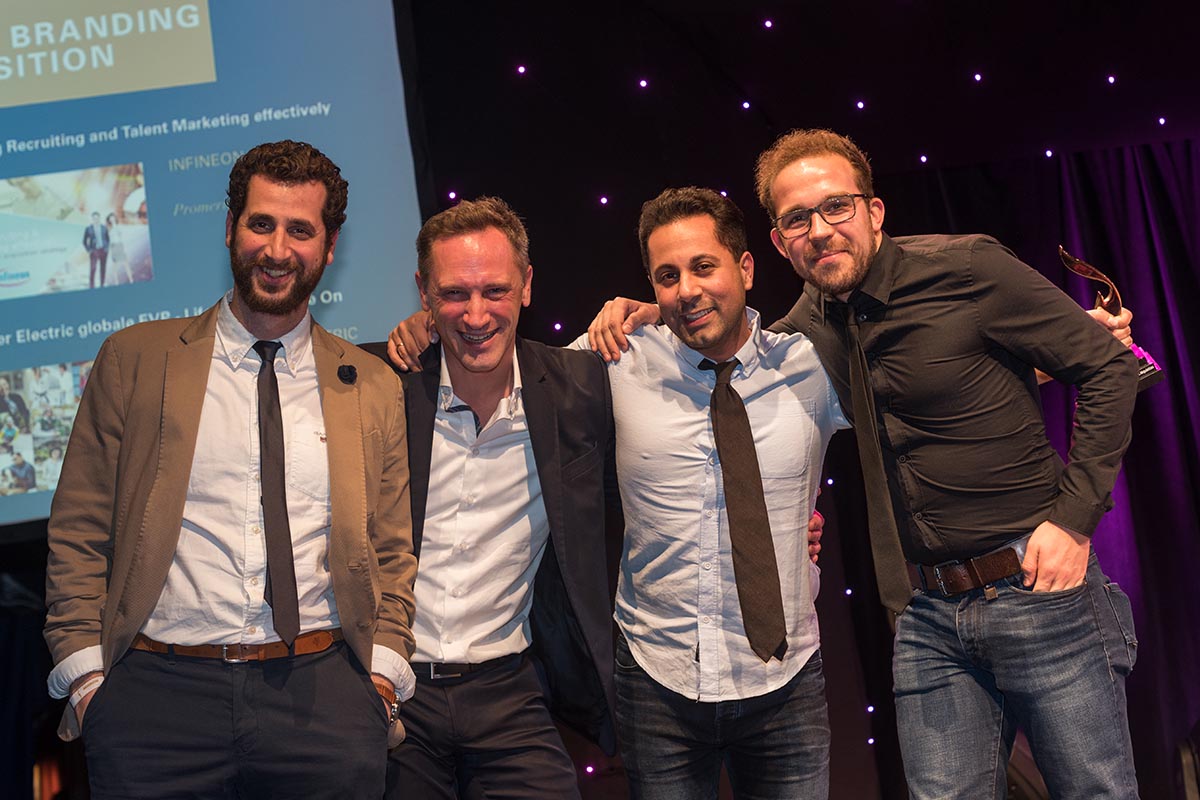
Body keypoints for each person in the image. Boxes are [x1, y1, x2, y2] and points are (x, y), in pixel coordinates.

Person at [595, 129, 1141, 800]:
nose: (820, 230)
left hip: (1038, 590)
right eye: (798, 219)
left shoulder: (968, 267)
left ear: (874, 211)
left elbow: (1110, 368)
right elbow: (741, 352)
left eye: (836, 207)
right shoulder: (806, 330)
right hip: (928, 616)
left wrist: (1075, 521)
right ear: (778, 243)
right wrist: (663, 312)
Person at [388, 189, 839, 799]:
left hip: (789, 678)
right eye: (667, 277)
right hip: (656, 681)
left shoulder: (811, 366)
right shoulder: (609, 364)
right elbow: (488, 345)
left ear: (747, 267)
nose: (687, 289)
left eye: (704, 267)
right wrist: (428, 327)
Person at [44, 140, 417, 799]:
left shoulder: (372, 385)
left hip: (323, 701)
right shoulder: (134, 360)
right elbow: (79, 531)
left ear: (330, 246)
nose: (277, 250)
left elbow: (392, 551)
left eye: (300, 230)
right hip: (154, 704)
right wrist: (87, 685)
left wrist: (381, 684)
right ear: (229, 228)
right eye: (261, 223)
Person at [360, 196, 618, 799]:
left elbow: (690, 359)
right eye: (454, 294)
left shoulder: (578, 387)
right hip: (391, 687)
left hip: (511, 691)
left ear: (527, 285)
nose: (476, 314)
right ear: (424, 293)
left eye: (495, 291)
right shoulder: (380, 386)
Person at [83, 211, 110, 289]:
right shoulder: (88, 229)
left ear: (99, 218)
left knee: (103, 268)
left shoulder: (104, 228)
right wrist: (89, 250)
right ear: (92, 219)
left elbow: (108, 239)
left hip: (103, 250)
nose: (96, 220)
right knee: (93, 269)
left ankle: (102, 285)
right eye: (94, 218)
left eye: (97, 218)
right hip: (94, 251)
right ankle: (92, 286)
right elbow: (84, 241)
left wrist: (106, 248)